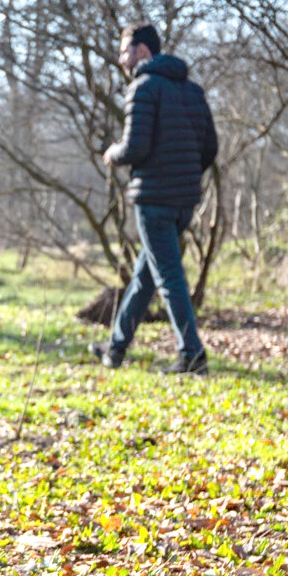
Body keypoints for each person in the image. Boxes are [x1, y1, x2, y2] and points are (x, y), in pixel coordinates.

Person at [93, 23, 217, 375]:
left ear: (143, 51)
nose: (121, 59)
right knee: (146, 276)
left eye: (125, 51)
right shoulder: (193, 91)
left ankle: (192, 354)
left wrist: (111, 154)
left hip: (154, 200)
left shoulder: (143, 87)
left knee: (168, 277)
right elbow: (211, 147)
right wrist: (186, 175)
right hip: (183, 201)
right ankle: (115, 348)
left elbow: (135, 147)